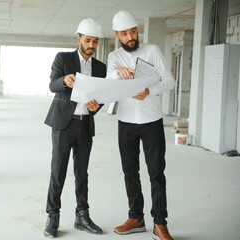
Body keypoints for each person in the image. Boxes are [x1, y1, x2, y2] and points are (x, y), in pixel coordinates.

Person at [106, 11, 175, 240]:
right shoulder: (114, 57)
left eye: (133, 31)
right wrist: (118, 73)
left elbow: (169, 80)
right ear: (117, 35)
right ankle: (136, 217)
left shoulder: (152, 51)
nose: (130, 37)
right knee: (130, 171)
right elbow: (108, 84)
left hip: (151, 120)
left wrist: (149, 91)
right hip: (126, 122)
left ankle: (160, 223)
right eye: (125, 34)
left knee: (156, 173)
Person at [43, 18, 106, 238]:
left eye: (95, 42)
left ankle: (82, 216)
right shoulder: (64, 58)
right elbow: (52, 84)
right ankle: (52, 216)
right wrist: (64, 80)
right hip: (63, 123)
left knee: (82, 173)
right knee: (58, 172)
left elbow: (102, 97)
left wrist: (97, 106)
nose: (91, 45)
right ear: (78, 38)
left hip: (85, 125)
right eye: (88, 40)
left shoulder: (100, 67)